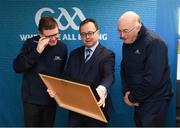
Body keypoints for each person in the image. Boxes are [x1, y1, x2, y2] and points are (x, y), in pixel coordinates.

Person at [48, 18, 115, 127]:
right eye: (83, 34)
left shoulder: (107, 55)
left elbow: (109, 76)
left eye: (90, 33)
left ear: (97, 33)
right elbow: (66, 78)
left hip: (96, 111)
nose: (87, 37)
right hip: (75, 111)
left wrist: (102, 90)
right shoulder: (74, 54)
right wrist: (56, 89)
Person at [118, 11, 173, 127]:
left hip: (155, 102)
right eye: (119, 30)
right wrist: (127, 92)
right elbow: (124, 68)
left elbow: (153, 79)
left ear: (138, 28)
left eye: (125, 31)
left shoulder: (155, 42)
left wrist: (132, 98)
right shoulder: (128, 40)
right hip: (138, 99)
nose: (121, 35)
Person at [13, 16, 67, 127]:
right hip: (32, 101)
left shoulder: (62, 48)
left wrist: (58, 89)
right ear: (40, 34)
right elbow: (17, 67)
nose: (53, 39)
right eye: (49, 36)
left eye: (56, 34)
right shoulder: (30, 44)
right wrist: (37, 51)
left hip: (51, 101)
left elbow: (62, 74)